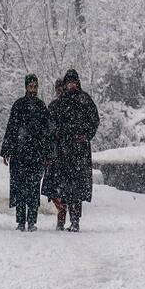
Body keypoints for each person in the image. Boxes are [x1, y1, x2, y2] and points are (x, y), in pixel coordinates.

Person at [50, 68, 99, 232]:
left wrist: (86, 135)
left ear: (77, 83)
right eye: (69, 82)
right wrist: (57, 134)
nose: (71, 85)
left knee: (77, 188)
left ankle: (75, 220)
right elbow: (52, 121)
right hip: (64, 150)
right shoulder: (61, 101)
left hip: (79, 151)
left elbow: (94, 120)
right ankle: (63, 218)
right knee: (64, 187)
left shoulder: (85, 100)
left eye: (73, 82)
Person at [1, 73, 50, 231]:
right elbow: (11, 128)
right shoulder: (18, 105)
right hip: (20, 153)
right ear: (26, 87)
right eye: (30, 86)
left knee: (34, 188)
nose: (33, 89)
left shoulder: (42, 107)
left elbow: (46, 132)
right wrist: (7, 150)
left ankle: (32, 221)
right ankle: (21, 221)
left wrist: (47, 153)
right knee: (20, 188)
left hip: (35, 155)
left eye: (35, 86)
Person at [43, 78, 68, 230]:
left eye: (61, 87)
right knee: (51, 187)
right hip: (54, 152)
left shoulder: (70, 106)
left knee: (63, 187)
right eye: (58, 88)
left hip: (66, 153)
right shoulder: (52, 106)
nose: (60, 90)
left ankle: (62, 218)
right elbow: (47, 128)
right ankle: (61, 210)